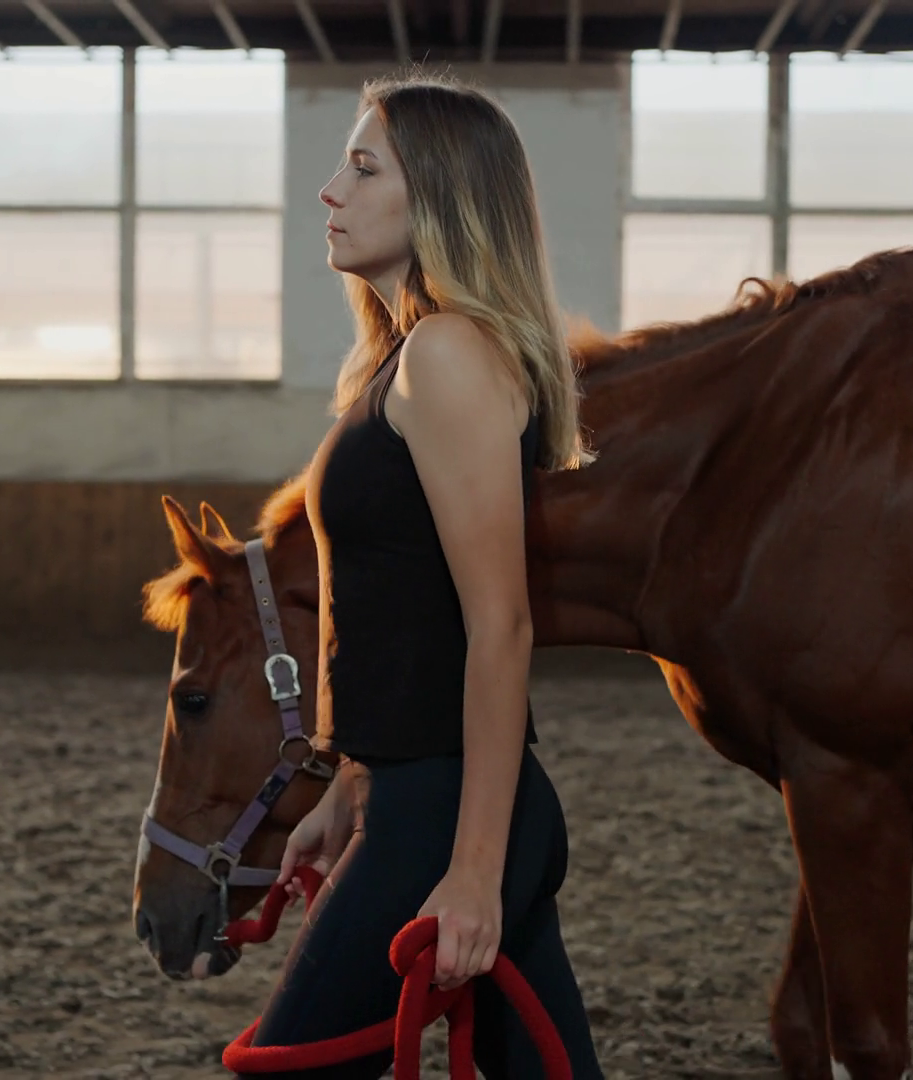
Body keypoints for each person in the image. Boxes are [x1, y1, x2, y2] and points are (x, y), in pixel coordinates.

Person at [239, 72, 604, 1080]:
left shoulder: (446, 355)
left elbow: (500, 627)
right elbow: (401, 615)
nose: (331, 190)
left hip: (450, 815)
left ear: (440, 196)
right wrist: (349, 787)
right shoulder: (404, 356)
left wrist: (475, 872)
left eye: (364, 168)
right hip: (420, 798)